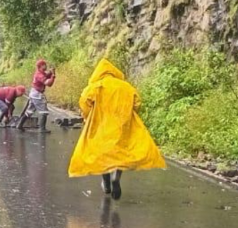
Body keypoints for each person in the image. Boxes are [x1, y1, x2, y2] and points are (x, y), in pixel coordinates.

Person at [68, 58, 165, 200]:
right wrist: (128, 115)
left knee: (103, 153)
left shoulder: (96, 86)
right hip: (121, 125)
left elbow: (84, 102)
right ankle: (116, 178)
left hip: (101, 124)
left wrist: (88, 116)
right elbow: (137, 103)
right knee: (119, 153)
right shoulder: (126, 87)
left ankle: (106, 180)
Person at [20, 58, 56, 133]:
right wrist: (53, 76)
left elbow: (46, 75)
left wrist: (51, 72)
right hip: (37, 94)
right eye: (44, 65)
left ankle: (19, 125)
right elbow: (48, 83)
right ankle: (42, 129)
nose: (45, 66)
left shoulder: (40, 72)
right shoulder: (39, 75)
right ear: (40, 66)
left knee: (29, 111)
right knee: (44, 111)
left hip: (33, 94)